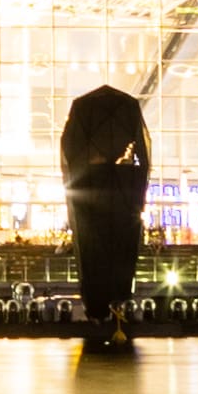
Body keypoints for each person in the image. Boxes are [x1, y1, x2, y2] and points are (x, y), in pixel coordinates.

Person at [59, 81, 152, 351]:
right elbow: (143, 157)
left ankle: (100, 310)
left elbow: (68, 150)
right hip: (117, 191)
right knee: (113, 243)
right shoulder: (129, 174)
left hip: (96, 189)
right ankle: (114, 307)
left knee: (95, 247)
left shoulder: (84, 113)